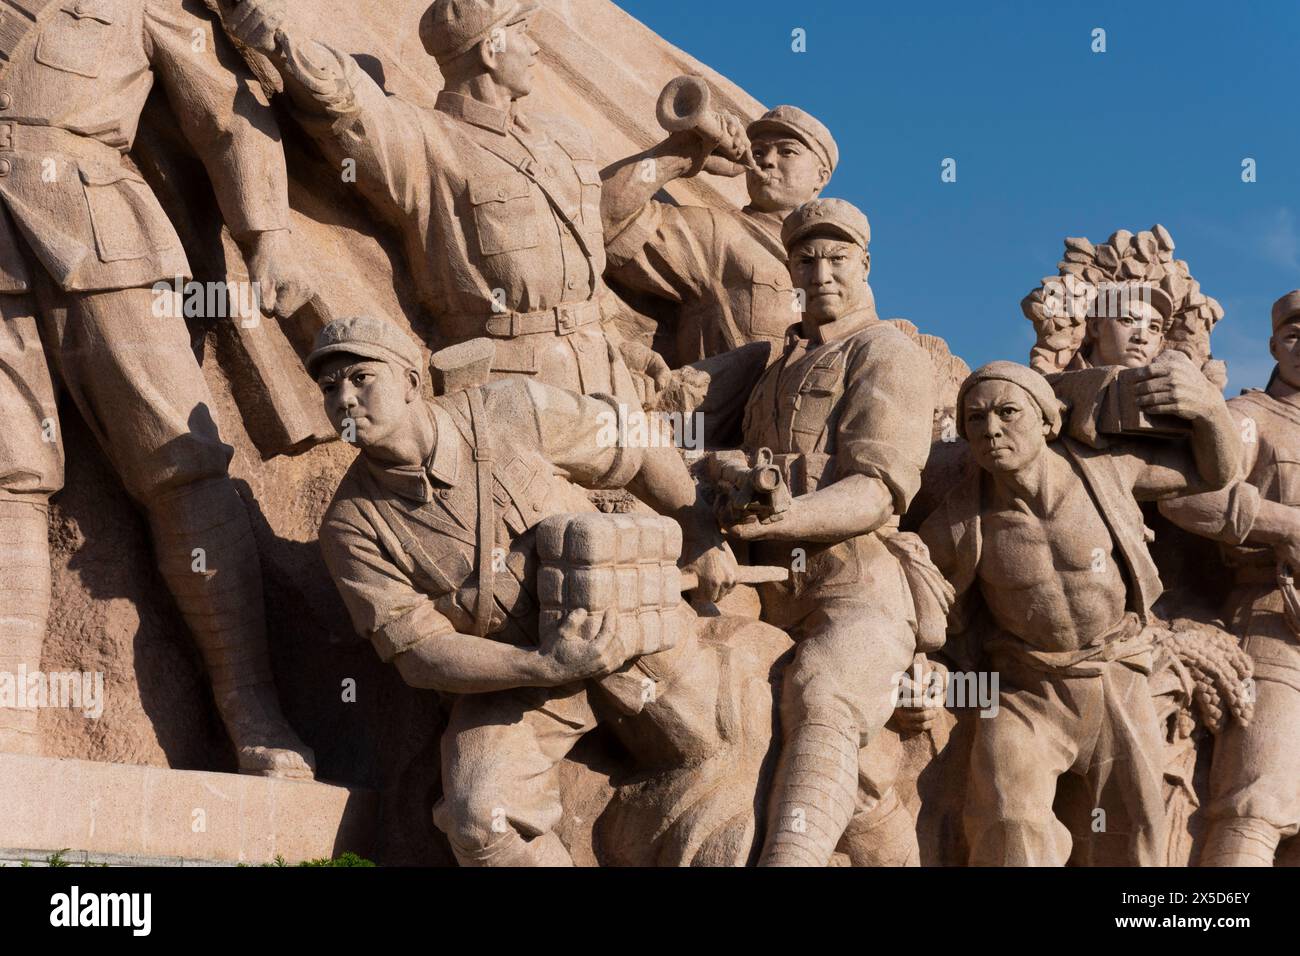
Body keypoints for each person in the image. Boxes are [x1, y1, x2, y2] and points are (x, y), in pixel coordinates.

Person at [0, 0, 313, 775]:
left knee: (182, 458)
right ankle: (10, 722)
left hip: (105, 233)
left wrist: (265, 238)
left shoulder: (142, 7)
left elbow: (229, 117)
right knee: (8, 476)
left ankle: (253, 711)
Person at [310, 315, 744, 865]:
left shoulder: (506, 411)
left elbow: (629, 438)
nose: (344, 399)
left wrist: (700, 533)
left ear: (412, 383)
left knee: (723, 749)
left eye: (361, 378)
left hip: (631, 630)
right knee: (475, 816)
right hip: (518, 680)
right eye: (329, 388)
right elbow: (419, 654)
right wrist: (543, 666)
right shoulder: (351, 525)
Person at [221, 0, 639, 401]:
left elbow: (593, 240)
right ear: (490, 50)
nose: (534, 47)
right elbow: (347, 105)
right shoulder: (425, 141)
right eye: (522, 32)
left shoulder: (562, 139)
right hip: (510, 387)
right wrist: (280, 39)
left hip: (607, 372)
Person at [919, 359, 1241, 865]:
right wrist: (920, 668)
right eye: (975, 420)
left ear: (1048, 421)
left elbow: (1210, 471)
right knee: (1007, 814)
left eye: (1007, 413)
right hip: (1027, 691)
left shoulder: (1106, 471)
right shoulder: (959, 523)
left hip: (1118, 677)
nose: (991, 430)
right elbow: (916, 604)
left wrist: (1209, 411)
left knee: (1136, 835)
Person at [713, 198, 943, 866]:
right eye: (806, 259)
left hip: (854, 573)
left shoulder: (886, 352)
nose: (821, 273)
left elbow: (875, 489)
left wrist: (785, 515)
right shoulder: (770, 362)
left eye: (837, 258)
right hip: (756, 572)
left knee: (823, 691)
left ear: (865, 264)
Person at [1156, 289, 1300, 865]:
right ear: (1273, 345)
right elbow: (1185, 497)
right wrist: (1287, 526)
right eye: (1294, 332)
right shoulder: (1248, 418)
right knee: (1256, 801)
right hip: (1273, 621)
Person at [601, 102, 840, 367]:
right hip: (717, 406)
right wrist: (683, 153)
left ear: (821, 177)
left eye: (787, 151)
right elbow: (604, 220)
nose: (768, 161)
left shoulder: (839, 262)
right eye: (759, 152)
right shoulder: (717, 231)